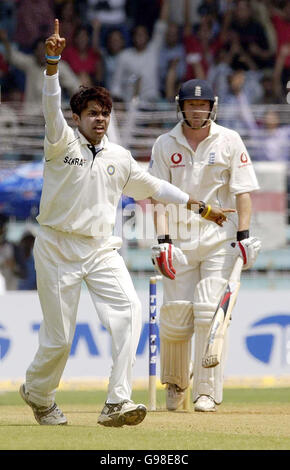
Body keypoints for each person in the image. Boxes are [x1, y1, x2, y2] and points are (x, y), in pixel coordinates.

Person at [19, 20, 232, 427]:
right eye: (93, 114)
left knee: (131, 311)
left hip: (100, 248)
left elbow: (155, 187)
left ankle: (116, 402)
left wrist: (199, 207)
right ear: (77, 118)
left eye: (105, 114)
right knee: (59, 340)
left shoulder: (118, 156)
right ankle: (39, 394)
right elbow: (50, 104)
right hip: (57, 247)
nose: (100, 120)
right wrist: (51, 63)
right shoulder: (60, 142)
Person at [148, 78, 261, 412]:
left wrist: (243, 236)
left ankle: (206, 392)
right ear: (180, 106)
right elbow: (157, 199)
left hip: (218, 240)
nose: (196, 111)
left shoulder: (229, 140)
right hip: (180, 240)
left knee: (209, 314)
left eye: (202, 105)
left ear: (212, 106)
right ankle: (176, 383)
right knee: (175, 317)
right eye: (190, 105)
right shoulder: (164, 144)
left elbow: (243, 193)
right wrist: (163, 241)